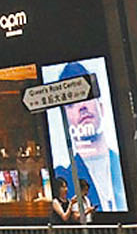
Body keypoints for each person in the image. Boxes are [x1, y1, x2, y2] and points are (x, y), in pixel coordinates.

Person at [52, 62, 126, 212]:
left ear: (101, 107)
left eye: (86, 96)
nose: (82, 107)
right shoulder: (63, 177)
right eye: (72, 104)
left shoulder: (121, 163)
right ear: (65, 119)